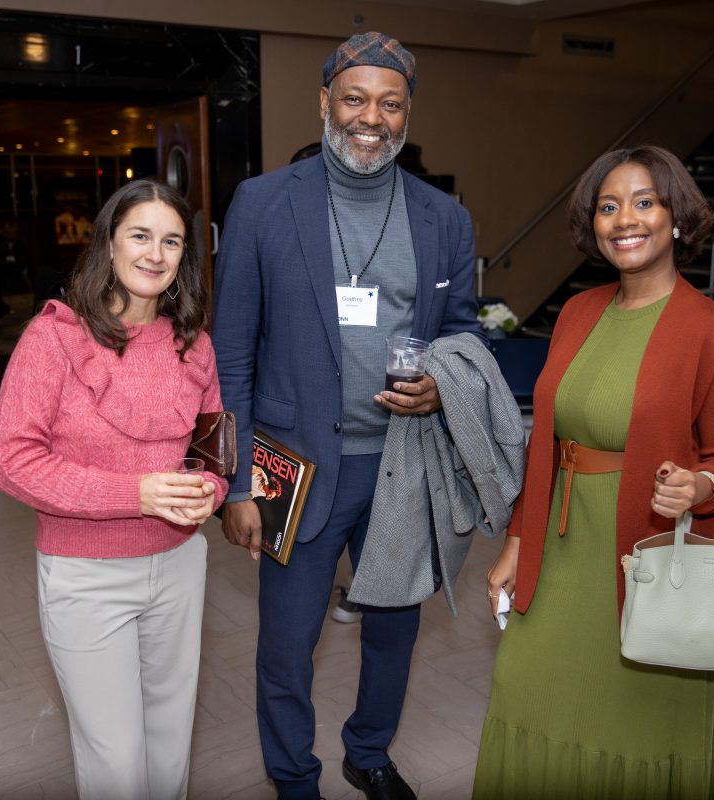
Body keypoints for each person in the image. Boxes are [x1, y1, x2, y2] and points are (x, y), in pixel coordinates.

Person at [212, 32, 481, 800]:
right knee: (287, 642)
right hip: (290, 461)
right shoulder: (263, 203)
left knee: (395, 630)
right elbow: (227, 356)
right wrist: (233, 484)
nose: (372, 117)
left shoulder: (443, 218)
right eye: (355, 98)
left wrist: (443, 383)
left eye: (390, 103)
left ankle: (368, 752)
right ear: (325, 101)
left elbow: (464, 330)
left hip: (405, 460)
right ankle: (293, 775)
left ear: (407, 114)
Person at [471, 145, 714, 799]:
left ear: (676, 218)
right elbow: (544, 440)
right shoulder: (578, 312)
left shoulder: (710, 332)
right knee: (526, 688)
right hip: (561, 545)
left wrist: (701, 485)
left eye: (643, 202)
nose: (623, 219)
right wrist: (518, 540)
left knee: (634, 722)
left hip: (646, 555)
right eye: (608, 206)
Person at [0, 178, 226, 799]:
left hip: (179, 566)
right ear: (109, 246)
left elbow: (210, 449)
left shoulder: (194, 342)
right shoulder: (55, 338)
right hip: (85, 575)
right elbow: (11, 461)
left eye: (171, 241)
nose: (155, 253)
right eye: (140, 235)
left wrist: (210, 489)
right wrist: (137, 494)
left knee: (171, 743)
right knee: (116, 760)